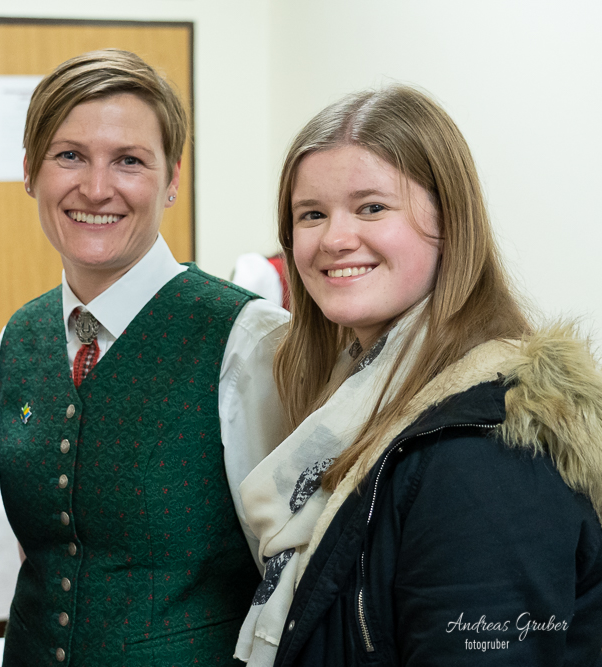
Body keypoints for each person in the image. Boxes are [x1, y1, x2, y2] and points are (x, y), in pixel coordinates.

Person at [236, 85, 602, 666]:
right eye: (312, 214)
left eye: (372, 207)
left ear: (450, 221)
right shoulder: (358, 397)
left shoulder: (485, 448)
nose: (334, 239)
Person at [0, 49, 290, 666]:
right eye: (69, 155)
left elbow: (287, 571)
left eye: (128, 160)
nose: (96, 188)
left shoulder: (248, 338)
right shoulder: (16, 339)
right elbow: (46, 547)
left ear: (172, 179)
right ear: (29, 171)